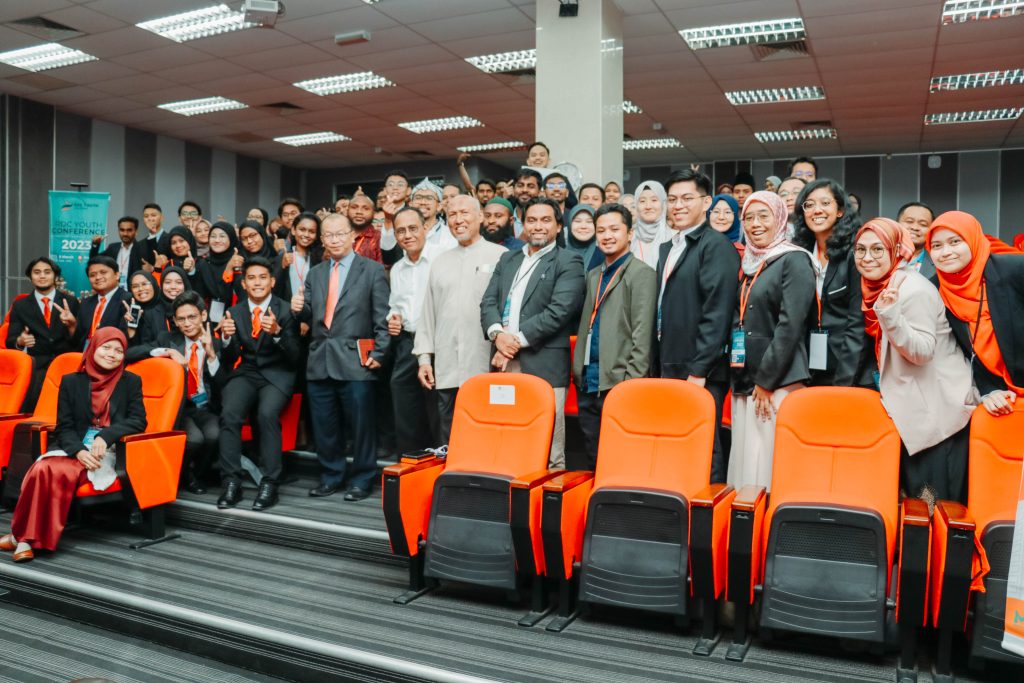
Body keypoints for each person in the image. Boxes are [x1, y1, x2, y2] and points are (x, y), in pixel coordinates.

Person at [853, 218, 976, 502]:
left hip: (938, 414)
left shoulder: (911, 290)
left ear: (896, 250)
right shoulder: (880, 285)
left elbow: (922, 352)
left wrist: (890, 315)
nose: (867, 257)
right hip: (915, 408)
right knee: (911, 503)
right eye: (860, 249)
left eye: (878, 249)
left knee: (933, 505)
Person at [1, 328, 146, 562]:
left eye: (119, 350)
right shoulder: (71, 381)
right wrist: (78, 450)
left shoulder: (130, 381)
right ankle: (25, 537)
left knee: (54, 470)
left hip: (110, 451)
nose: (112, 354)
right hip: (73, 447)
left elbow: (138, 421)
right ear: (93, 348)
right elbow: (64, 426)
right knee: (41, 468)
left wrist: (105, 436)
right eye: (106, 347)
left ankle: (24, 539)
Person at [481, 197, 585, 468]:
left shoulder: (568, 261)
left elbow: (559, 311)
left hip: (543, 363)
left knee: (549, 445)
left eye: (546, 220)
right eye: (532, 220)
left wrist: (512, 342)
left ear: (559, 226)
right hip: (504, 363)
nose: (538, 226)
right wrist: (497, 335)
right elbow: (488, 302)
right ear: (523, 225)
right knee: (509, 433)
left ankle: (550, 492)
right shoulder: (508, 258)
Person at [293, 214, 390, 501]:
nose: (334, 240)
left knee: (361, 426)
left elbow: (382, 317)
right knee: (324, 425)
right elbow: (310, 314)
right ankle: (331, 476)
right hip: (319, 360)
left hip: (356, 360)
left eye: (340, 234)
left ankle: (362, 479)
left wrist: (380, 352)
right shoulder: (315, 273)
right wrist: (298, 308)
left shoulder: (372, 271)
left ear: (352, 236)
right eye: (329, 235)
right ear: (322, 240)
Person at [727, 191, 816, 491]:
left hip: (777, 382)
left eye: (763, 216)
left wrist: (766, 381)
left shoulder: (794, 259)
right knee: (746, 460)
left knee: (767, 461)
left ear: (779, 219)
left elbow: (790, 326)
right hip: (746, 378)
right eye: (749, 218)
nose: (755, 224)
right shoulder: (750, 264)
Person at [657, 170, 741, 483]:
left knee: (705, 447)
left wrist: (700, 369)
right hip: (671, 362)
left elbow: (717, 312)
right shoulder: (669, 246)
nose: (678, 205)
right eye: (673, 199)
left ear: (706, 203)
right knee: (677, 444)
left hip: (699, 369)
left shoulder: (715, 245)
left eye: (686, 198)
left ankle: (708, 508)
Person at [414, 195, 506, 443]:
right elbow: (428, 314)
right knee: (450, 438)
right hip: (447, 368)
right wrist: (424, 359)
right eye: (452, 215)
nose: (458, 220)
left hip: (486, 366)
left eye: (465, 213)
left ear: (480, 217)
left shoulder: (501, 256)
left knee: (487, 437)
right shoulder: (439, 262)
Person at [573, 204, 656, 468]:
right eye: (601, 230)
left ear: (630, 233)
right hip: (589, 381)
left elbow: (642, 335)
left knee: (622, 459)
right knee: (593, 457)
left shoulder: (641, 273)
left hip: (618, 383)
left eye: (614, 229)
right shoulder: (593, 275)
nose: (607, 236)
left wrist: (630, 385)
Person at [215, 257, 300, 512]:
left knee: (266, 414)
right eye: (251, 278)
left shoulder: (286, 310)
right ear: (243, 284)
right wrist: (226, 338)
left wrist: (277, 334)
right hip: (248, 372)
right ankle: (231, 482)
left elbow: (296, 356)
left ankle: (270, 483)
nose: (257, 283)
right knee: (229, 414)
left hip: (278, 373)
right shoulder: (235, 312)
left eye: (263, 277)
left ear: (272, 281)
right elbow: (230, 359)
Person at [927, 211, 1024, 417]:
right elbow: (954, 353)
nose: (945, 252)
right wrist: (988, 390)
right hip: (995, 394)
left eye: (955, 242)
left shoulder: (1014, 269)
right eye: (936, 245)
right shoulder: (933, 289)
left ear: (972, 239)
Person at [138, 291, 223, 494]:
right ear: (175, 321)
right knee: (194, 439)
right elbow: (132, 352)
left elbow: (223, 384)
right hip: (180, 407)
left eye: (192, 317)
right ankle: (186, 476)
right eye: (181, 319)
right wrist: (166, 352)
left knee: (214, 436)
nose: (187, 323)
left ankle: (197, 474)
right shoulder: (167, 339)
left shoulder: (216, 343)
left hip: (206, 406)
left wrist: (211, 355)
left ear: (203, 315)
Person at [792, 179, 870, 387]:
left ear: (840, 211)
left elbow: (857, 324)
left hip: (846, 366)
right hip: (807, 367)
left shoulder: (855, 254)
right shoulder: (799, 254)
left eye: (825, 203)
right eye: (809, 205)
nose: (817, 210)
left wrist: (843, 382)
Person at [386, 208, 439, 453]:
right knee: (404, 402)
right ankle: (409, 462)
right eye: (401, 231)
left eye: (413, 228)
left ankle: (440, 462)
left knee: (436, 406)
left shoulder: (441, 259)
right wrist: (393, 318)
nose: (407, 235)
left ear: (425, 228)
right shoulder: (397, 268)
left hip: (437, 342)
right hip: (407, 342)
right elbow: (395, 306)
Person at [7, 258, 79, 410]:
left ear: (55, 276)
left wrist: (72, 325)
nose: (42, 276)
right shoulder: (20, 305)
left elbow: (79, 341)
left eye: (47, 272)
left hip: (65, 365)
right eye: (37, 272)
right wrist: (20, 341)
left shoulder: (70, 302)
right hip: (36, 366)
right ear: (30, 277)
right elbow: (10, 340)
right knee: (32, 406)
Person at [74, 256, 131, 349]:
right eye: (92, 275)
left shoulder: (128, 300)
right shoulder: (85, 303)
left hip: (111, 352)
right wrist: (71, 325)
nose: (98, 277)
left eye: (103, 272)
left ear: (117, 275)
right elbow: (79, 338)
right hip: (85, 351)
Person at [89, 216, 145, 290]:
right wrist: (95, 245)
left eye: (129, 230)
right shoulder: (112, 247)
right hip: (114, 291)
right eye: (122, 230)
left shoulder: (142, 249)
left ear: (136, 232)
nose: (125, 233)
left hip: (133, 291)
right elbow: (94, 261)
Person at [630, 180, 671, 268]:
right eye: (642, 201)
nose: (648, 206)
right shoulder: (628, 237)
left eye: (654, 200)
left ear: (663, 204)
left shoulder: (674, 237)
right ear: (636, 205)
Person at [896, 202, 936, 278]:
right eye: (909, 221)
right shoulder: (881, 258)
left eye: (923, 224)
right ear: (897, 224)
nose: (915, 227)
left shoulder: (938, 264)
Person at [565, 204, 603, 271]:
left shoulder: (604, 256)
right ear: (569, 224)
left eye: (589, 221)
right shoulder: (557, 256)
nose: (583, 226)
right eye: (578, 221)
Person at [512, 169, 543, 235]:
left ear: (539, 192)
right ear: (513, 189)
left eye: (531, 186)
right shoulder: (504, 217)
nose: (525, 190)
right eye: (520, 185)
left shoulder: (546, 220)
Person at [142, 203, 170, 270]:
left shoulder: (171, 239)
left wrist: (152, 268)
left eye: (153, 215)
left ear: (162, 218)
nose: (149, 219)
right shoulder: (140, 244)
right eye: (146, 216)